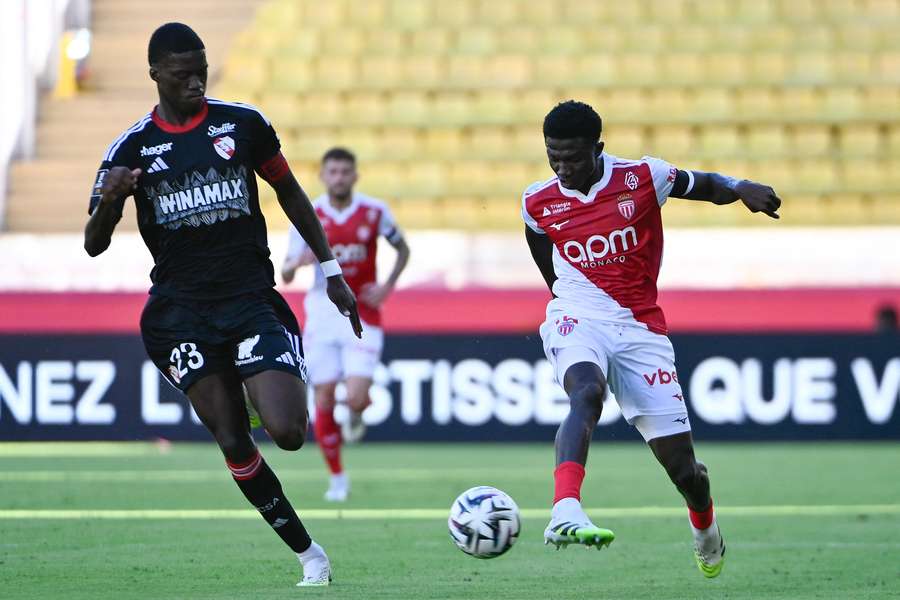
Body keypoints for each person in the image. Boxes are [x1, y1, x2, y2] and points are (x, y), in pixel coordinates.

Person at [83, 23, 361, 587]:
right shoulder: (130, 149)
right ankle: (310, 555)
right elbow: (93, 243)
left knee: (288, 431)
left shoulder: (243, 124)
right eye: (183, 73)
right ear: (155, 74)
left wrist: (331, 270)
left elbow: (290, 192)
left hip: (249, 300)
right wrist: (110, 202)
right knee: (233, 439)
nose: (196, 82)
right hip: (180, 315)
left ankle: (249, 385)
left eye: (202, 70)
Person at [523, 100, 782, 578]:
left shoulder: (642, 176)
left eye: (572, 157)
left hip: (641, 330)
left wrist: (739, 187)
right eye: (553, 156)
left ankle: (706, 529)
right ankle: (565, 509)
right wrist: (570, 299)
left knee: (686, 472)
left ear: (598, 148)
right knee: (587, 392)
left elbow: (704, 184)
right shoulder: (537, 202)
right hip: (577, 315)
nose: (562, 167)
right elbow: (546, 258)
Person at [282, 147, 410, 502]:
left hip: (363, 314)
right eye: (333, 172)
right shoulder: (307, 213)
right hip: (322, 315)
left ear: (355, 176)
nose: (339, 178)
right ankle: (337, 478)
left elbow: (403, 249)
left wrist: (386, 287)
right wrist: (298, 262)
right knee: (323, 396)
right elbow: (286, 272)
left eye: (344, 172)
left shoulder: (375, 211)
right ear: (323, 176)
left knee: (355, 397)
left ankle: (355, 412)